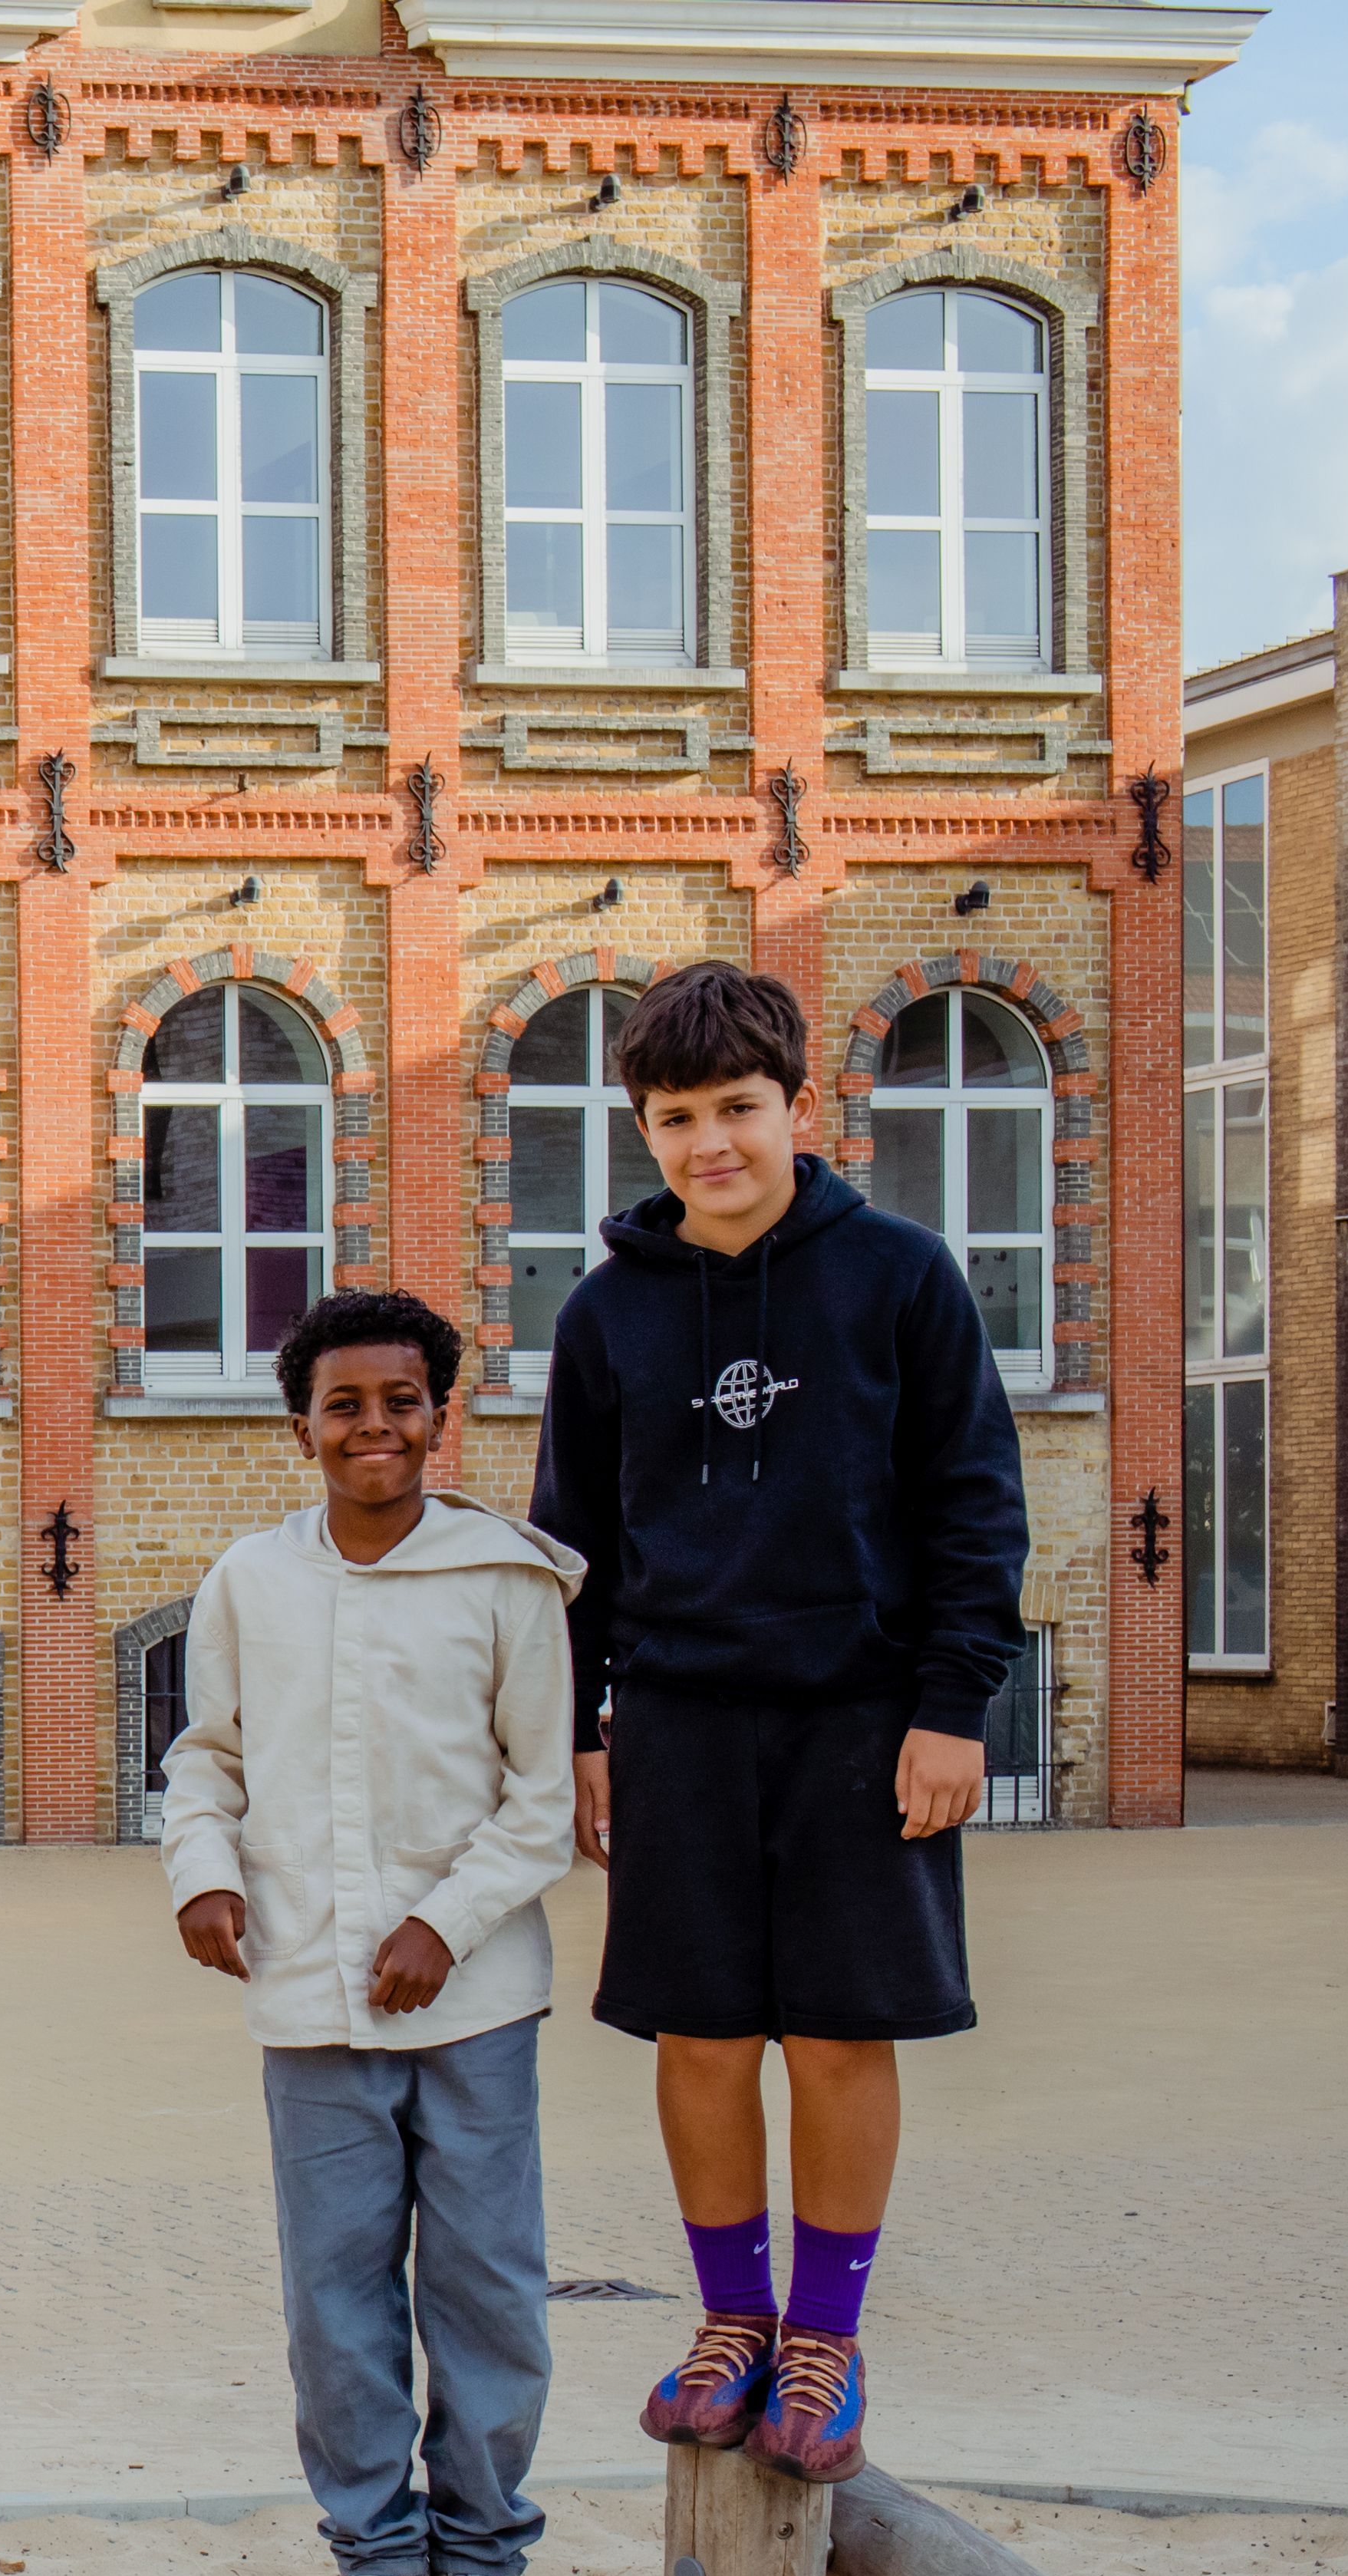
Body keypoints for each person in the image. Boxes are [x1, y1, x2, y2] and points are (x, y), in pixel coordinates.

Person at [530, 961, 1028, 2485]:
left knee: (834, 2032)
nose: (709, 1144)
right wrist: (585, 1727)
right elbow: (574, 1540)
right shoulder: (608, 1310)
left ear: (797, 1105)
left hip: (862, 1716)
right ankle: (731, 2315)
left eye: (736, 1108)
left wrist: (956, 1709)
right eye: (675, 1118)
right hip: (679, 1718)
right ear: (646, 1128)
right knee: (698, 2033)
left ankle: (827, 2329)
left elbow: (974, 1502)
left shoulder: (899, 1276)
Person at [163, 1288, 585, 2576]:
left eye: (401, 1400)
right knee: (335, 2294)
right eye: (345, 1404)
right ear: (303, 1429)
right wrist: (203, 1874)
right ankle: (375, 2553)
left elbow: (540, 1800)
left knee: (485, 2288)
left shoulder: (510, 1585)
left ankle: (482, 2557)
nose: (375, 1427)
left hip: (474, 2004)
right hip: (307, 2001)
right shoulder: (248, 1583)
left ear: (440, 1415)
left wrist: (441, 1927)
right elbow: (207, 1760)